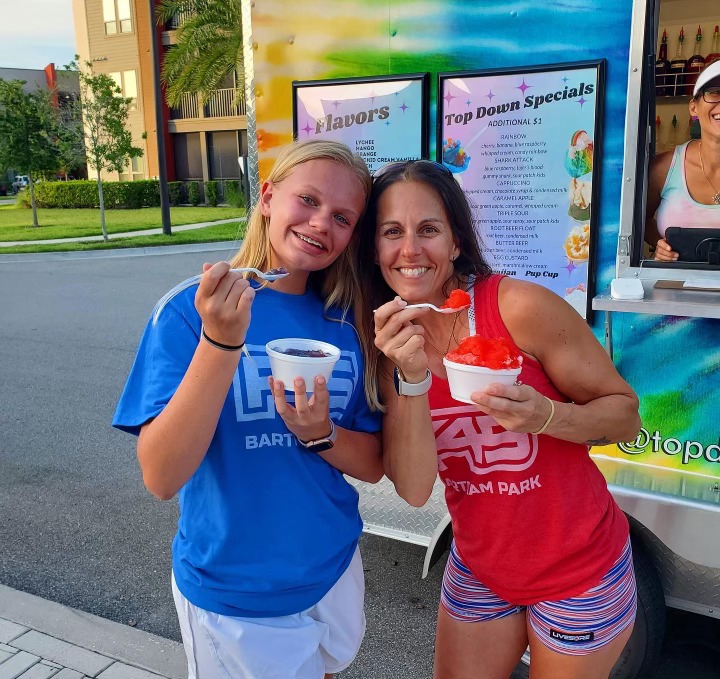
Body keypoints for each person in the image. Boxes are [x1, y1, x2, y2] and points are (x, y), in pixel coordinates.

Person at [358, 160, 642, 679]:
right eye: (391, 232)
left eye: (429, 230)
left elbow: (625, 418)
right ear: (374, 249)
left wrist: (547, 416)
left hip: (579, 567)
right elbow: (417, 489)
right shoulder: (388, 346)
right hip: (481, 565)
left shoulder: (517, 308)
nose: (410, 250)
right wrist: (413, 377)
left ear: (456, 242)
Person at [113, 139, 383, 679]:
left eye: (342, 216)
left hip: (332, 568)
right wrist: (221, 342)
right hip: (236, 589)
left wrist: (321, 431)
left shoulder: (349, 322)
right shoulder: (190, 312)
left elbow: (373, 465)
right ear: (267, 197)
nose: (320, 223)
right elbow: (162, 476)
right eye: (307, 200)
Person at [646, 60, 720, 261]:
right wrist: (659, 244)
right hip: (674, 288)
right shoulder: (664, 168)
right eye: (714, 92)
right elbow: (638, 220)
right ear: (694, 107)